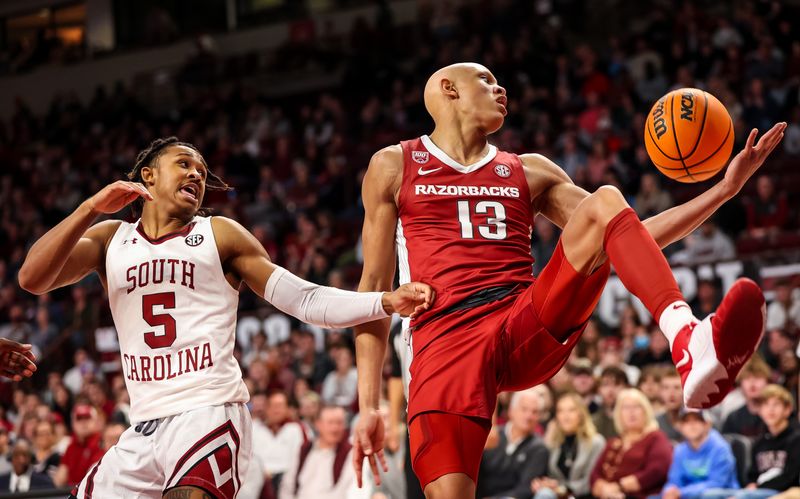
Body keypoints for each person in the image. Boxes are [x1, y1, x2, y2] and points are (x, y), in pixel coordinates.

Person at [351, 62, 781, 497]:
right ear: (448, 89)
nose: (501, 89)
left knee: (606, 201)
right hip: (445, 343)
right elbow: (372, 290)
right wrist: (368, 405)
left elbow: (628, 235)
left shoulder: (530, 170)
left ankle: (688, 339)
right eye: (486, 80)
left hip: (522, 322)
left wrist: (723, 191)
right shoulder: (393, 165)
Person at [17, 137, 433, 498]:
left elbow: (305, 301)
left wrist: (383, 301)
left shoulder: (220, 234)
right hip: (142, 425)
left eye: (202, 170)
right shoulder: (112, 239)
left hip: (209, 411)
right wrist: (91, 208)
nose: (197, 175)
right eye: (184, 164)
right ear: (148, 176)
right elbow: (32, 278)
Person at [705, 384, 800, 498]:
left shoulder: (796, 439)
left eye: (776, 404)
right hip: (758, 491)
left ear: (787, 409)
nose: (770, 410)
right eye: (766, 405)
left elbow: (790, 477)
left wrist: (757, 487)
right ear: (759, 410)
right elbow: (752, 475)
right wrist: (752, 485)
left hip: (785, 492)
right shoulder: (759, 443)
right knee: (711, 495)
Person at [590, 389, 673, 499]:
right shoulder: (613, 442)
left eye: (636, 407)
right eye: (626, 408)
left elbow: (658, 470)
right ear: (619, 414)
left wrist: (620, 487)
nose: (631, 412)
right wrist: (604, 489)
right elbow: (595, 474)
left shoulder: (655, 437)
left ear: (645, 411)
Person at [477, 388, 550, 498]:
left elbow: (525, 488)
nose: (528, 416)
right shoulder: (492, 436)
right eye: (524, 409)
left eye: (534, 412)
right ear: (511, 410)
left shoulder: (539, 448)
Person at [533, 392, 605, 499]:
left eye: (571, 410)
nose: (565, 416)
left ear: (581, 414)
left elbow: (591, 481)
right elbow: (546, 475)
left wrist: (563, 489)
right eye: (560, 411)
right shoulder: (553, 443)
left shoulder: (596, 442)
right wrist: (542, 484)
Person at [278, 405, 359, 499]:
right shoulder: (304, 450)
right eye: (330, 422)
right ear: (318, 424)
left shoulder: (350, 453)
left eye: (339, 423)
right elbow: (287, 487)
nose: (335, 428)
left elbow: (347, 490)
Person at [660, 409, 739, 499]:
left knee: (709, 495)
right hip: (688, 496)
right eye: (686, 421)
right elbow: (674, 480)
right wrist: (669, 491)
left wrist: (681, 492)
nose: (692, 425)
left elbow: (717, 483)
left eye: (697, 420)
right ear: (680, 427)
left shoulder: (720, 447)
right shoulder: (680, 450)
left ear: (707, 424)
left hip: (721, 494)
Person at [593, 366, 629, 439]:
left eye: (617, 384)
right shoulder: (593, 422)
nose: (610, 390)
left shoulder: (633, 419)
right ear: (599, 389)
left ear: (627, 387)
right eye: (605, 384)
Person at [656, 368, 684, 443]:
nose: (671, 393)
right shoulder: (654, 423)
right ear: (660, 392)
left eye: (677, 387)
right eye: (666, 388)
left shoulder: (698, 420)